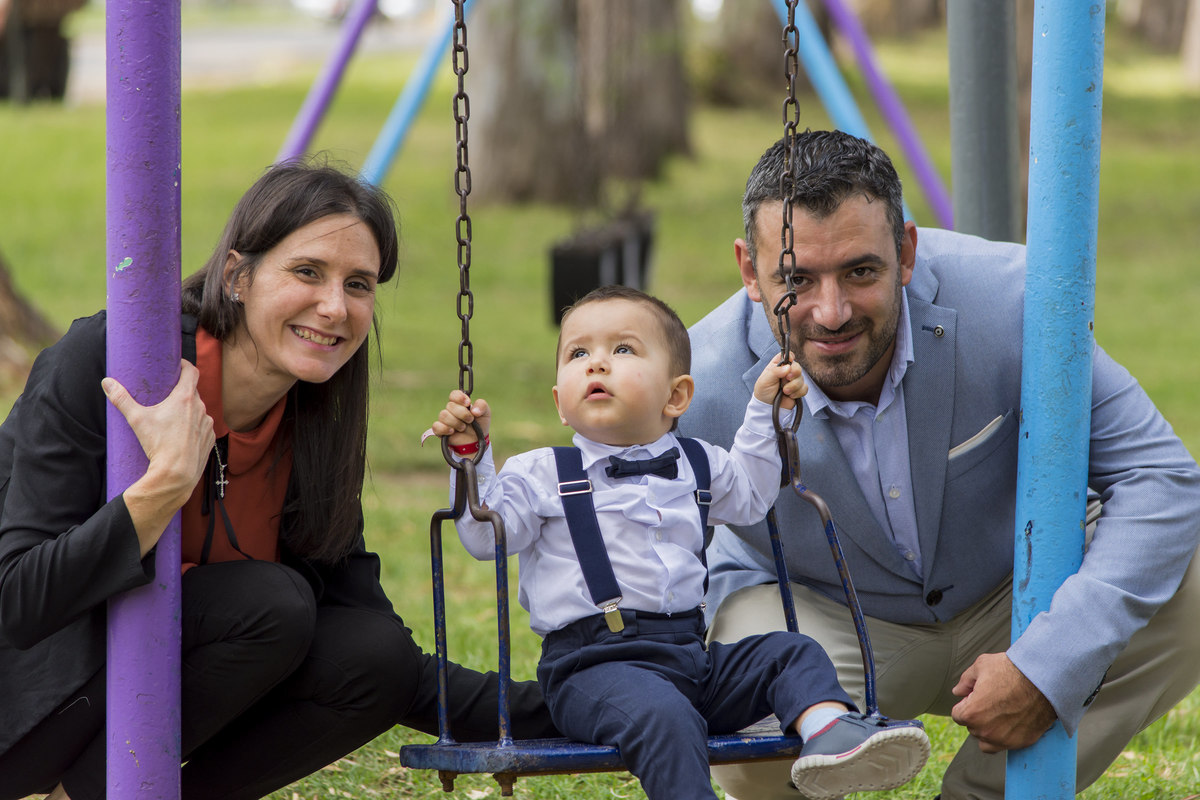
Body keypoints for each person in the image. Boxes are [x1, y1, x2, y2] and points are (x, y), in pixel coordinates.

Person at [0, 161, 556, 800]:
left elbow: (386, 663)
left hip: (127, 709)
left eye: (359, 284)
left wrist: (595, 708)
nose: (334, 307)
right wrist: (161, 489)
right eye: (307, 272)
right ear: (238, 275)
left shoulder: (310, 419)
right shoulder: (112, 365)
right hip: (24, 706)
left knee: (372, 652)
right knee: (272, 606)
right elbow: (19, 600)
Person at [679, 130, 1200, 800]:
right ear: (750, 271)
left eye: (860, 271)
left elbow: (1161, 478)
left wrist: (1051, 663)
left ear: (906, 253)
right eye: (797, 279)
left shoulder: (1018, 302)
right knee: (745, 725)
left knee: (1189, 582)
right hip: (820, 614)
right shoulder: (695, 380)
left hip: (1016, 596)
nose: (830, 312)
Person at [429, 284, 931, 800]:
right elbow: (484, 535)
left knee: (790, 652)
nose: (596, 365)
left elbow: (753, 497)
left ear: (677, 396)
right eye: (579, 353)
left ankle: (832, 734)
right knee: (664, 716)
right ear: (560, 402)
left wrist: (764, 410)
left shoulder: (697, 462)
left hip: (692, 659)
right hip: (592, 670)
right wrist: (471, 454)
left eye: (622, 350)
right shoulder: (542, 473)